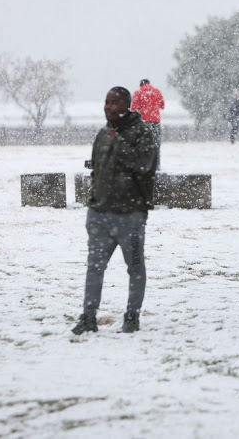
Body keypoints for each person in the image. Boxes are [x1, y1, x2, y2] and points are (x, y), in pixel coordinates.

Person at [72, 86, 158, 335]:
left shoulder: (141, 133)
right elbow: (96, 168)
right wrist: (94, 201)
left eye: (114, 103)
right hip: (100, 214)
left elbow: (146, 166)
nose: (108, 107)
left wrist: (119, 145)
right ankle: (88, 317)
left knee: (135, 267)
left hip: (130, 216)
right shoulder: (103, 134)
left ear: (127, 106)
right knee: (94, 267)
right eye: (106, 102)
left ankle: (132, 315)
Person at [130, 78, 164, 169]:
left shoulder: (138, 93)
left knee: (143, 145)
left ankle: (144, 165)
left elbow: (133, 108)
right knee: (156, 144)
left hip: (143, 123)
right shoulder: (157, 92)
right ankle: (156, 165)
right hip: (155, 122)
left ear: (141, 85)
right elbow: (162, 105)